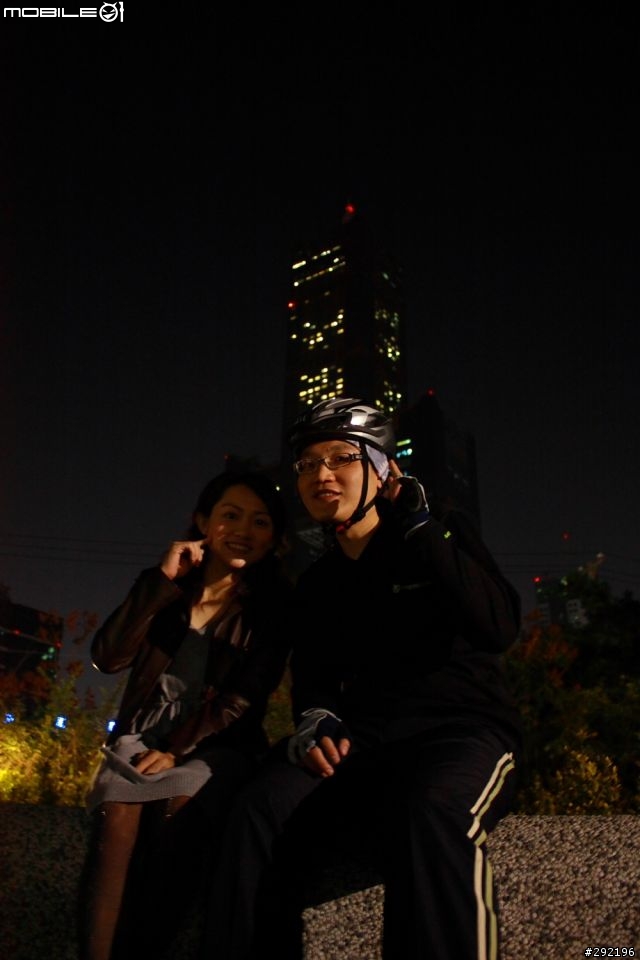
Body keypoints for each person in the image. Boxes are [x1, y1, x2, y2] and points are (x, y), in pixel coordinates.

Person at [203, 398, 523, 960]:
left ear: (381, 469)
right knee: (259, 806)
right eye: (307, 464)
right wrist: (316, 717)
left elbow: (498, 626)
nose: (321, 474)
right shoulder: (319, 583)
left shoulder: (440, 531)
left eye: (341, 458)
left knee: (434, 810)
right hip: (366, 741)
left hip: (464, 732)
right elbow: (315, 677)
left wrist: (422, 528)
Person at [78, 470, 292, 960]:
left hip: (216, 743)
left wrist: (176, 750)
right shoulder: (165, 586)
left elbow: (244, 698)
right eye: (231, 515)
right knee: (118, 814)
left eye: (260, 521)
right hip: (141, 735)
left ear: (274, 537)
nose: (244, 530)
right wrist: (161, 583)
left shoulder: (275, 604)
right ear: (202, 522)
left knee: (180, 807)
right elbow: (108, 657)